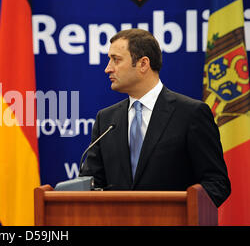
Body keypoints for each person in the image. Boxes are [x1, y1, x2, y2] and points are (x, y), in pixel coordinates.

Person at [79, 29, 231, 207]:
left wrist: (183, 213)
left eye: (116, 60)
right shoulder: (106, 119)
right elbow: (92, 183)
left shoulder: (191, 114)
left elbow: (216, 183)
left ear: (143, 64)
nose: (108, 68)